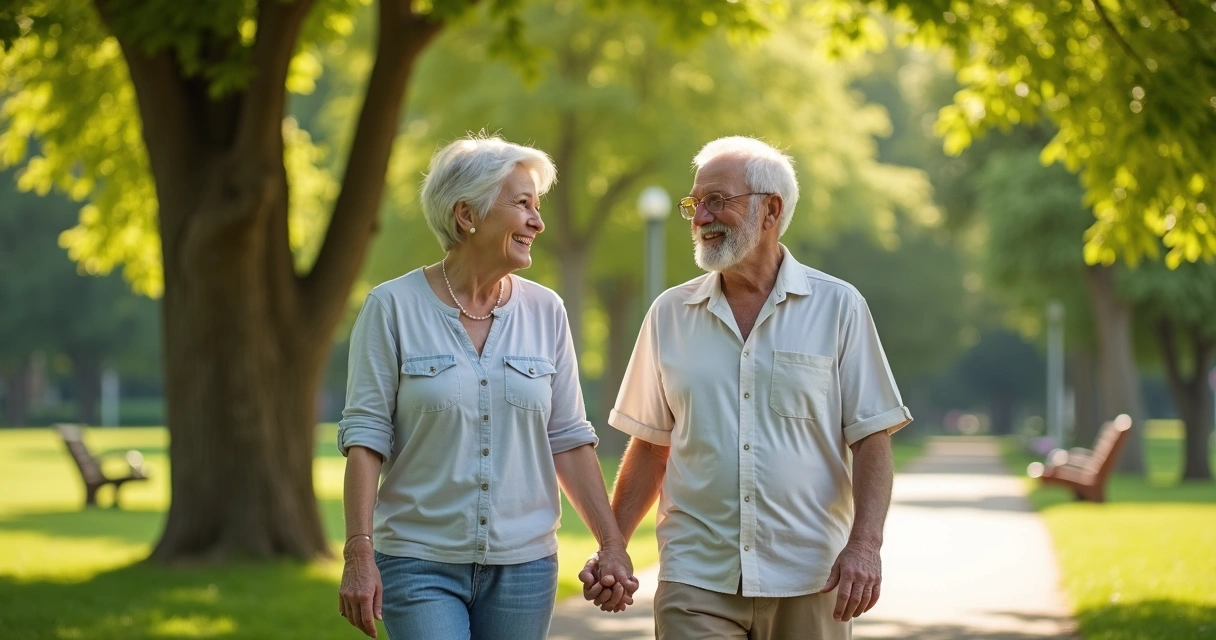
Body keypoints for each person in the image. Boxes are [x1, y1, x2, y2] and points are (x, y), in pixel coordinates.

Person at [581, 136, 912, 639]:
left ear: (771, 210)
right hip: (696, 576)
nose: (701, 217)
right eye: (695, 203)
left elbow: (871, 438)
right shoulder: (670, 314)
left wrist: (865, 546)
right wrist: (613, 548)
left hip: (812, 576)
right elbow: (650, 446)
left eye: (717, 200)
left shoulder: (839, 308)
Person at [337, 134, 636, 640]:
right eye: (522, 204)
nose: (537, 222)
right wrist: (358, 553)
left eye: (537, 207)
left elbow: (568, 437)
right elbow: (366, 438)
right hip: (417, 561)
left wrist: (612, 545)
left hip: (525, 569)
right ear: (467, 215)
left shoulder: (547, 310)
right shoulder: (392, 307)